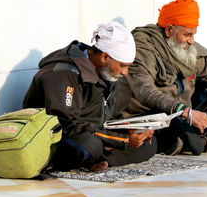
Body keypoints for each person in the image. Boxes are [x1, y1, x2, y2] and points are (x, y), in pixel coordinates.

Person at [114, 0, 207, 156]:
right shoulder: (142, 48)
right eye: (187, 35)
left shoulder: (187, 50)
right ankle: (202, 142)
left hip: (183, 115)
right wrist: (185, 112)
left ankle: (193, 139)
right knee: (175, 138)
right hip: (153, 117)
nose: (191, 41)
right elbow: (145, 91)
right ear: (169, 30)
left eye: (193, 35)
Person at [23, 21, 156, 172]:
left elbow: (105, 119)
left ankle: (100, 160)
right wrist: (122, 140)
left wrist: (131, 132)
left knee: (149, 143)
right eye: (123, 65)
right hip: (59, 137)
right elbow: (65, 125)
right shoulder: (64, 73)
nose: (125, 72)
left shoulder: (105, 72)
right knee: (90, 144)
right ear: (105, 57)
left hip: (94, 133)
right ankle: (95, 156)